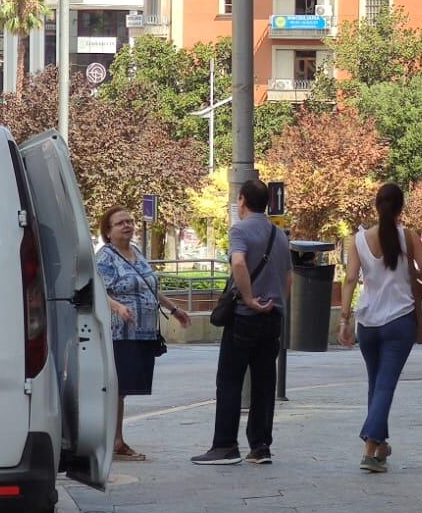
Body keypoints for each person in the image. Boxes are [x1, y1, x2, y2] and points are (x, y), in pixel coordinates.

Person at [193, 179, 292, 468]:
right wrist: (276, 303)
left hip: (245, 318)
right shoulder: (280, 234)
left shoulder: (239, 230)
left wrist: (249, 299)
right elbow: (289, 276)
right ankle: (260, 447)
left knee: (229, 380)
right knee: (264, 382)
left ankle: (225, 445)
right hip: (273, 317)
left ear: (242, 201)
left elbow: (238, 264)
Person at [338, 183, 422, 472]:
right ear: (401, 208)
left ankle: (379, 444)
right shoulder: (408, 237)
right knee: (385, 385)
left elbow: (350, 279)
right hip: (400, 320)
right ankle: (370, 449)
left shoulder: (358, 240)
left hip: (367, 322)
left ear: (376, 206)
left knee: (376, 383)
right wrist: (411, 268)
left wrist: (345, 319)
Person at [95, 206, 192, 461]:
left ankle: (115, 440)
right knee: (118, 387)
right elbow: (96, 291)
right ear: (108, 231)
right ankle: (112, 441)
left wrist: (175, 309)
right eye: (120, 223)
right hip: (120, 332)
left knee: (123, 388)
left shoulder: (136, 252)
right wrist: (117, 306)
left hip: (143, 332)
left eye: (129, 221)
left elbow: (150, 287)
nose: (127, 225)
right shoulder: (106, 257)